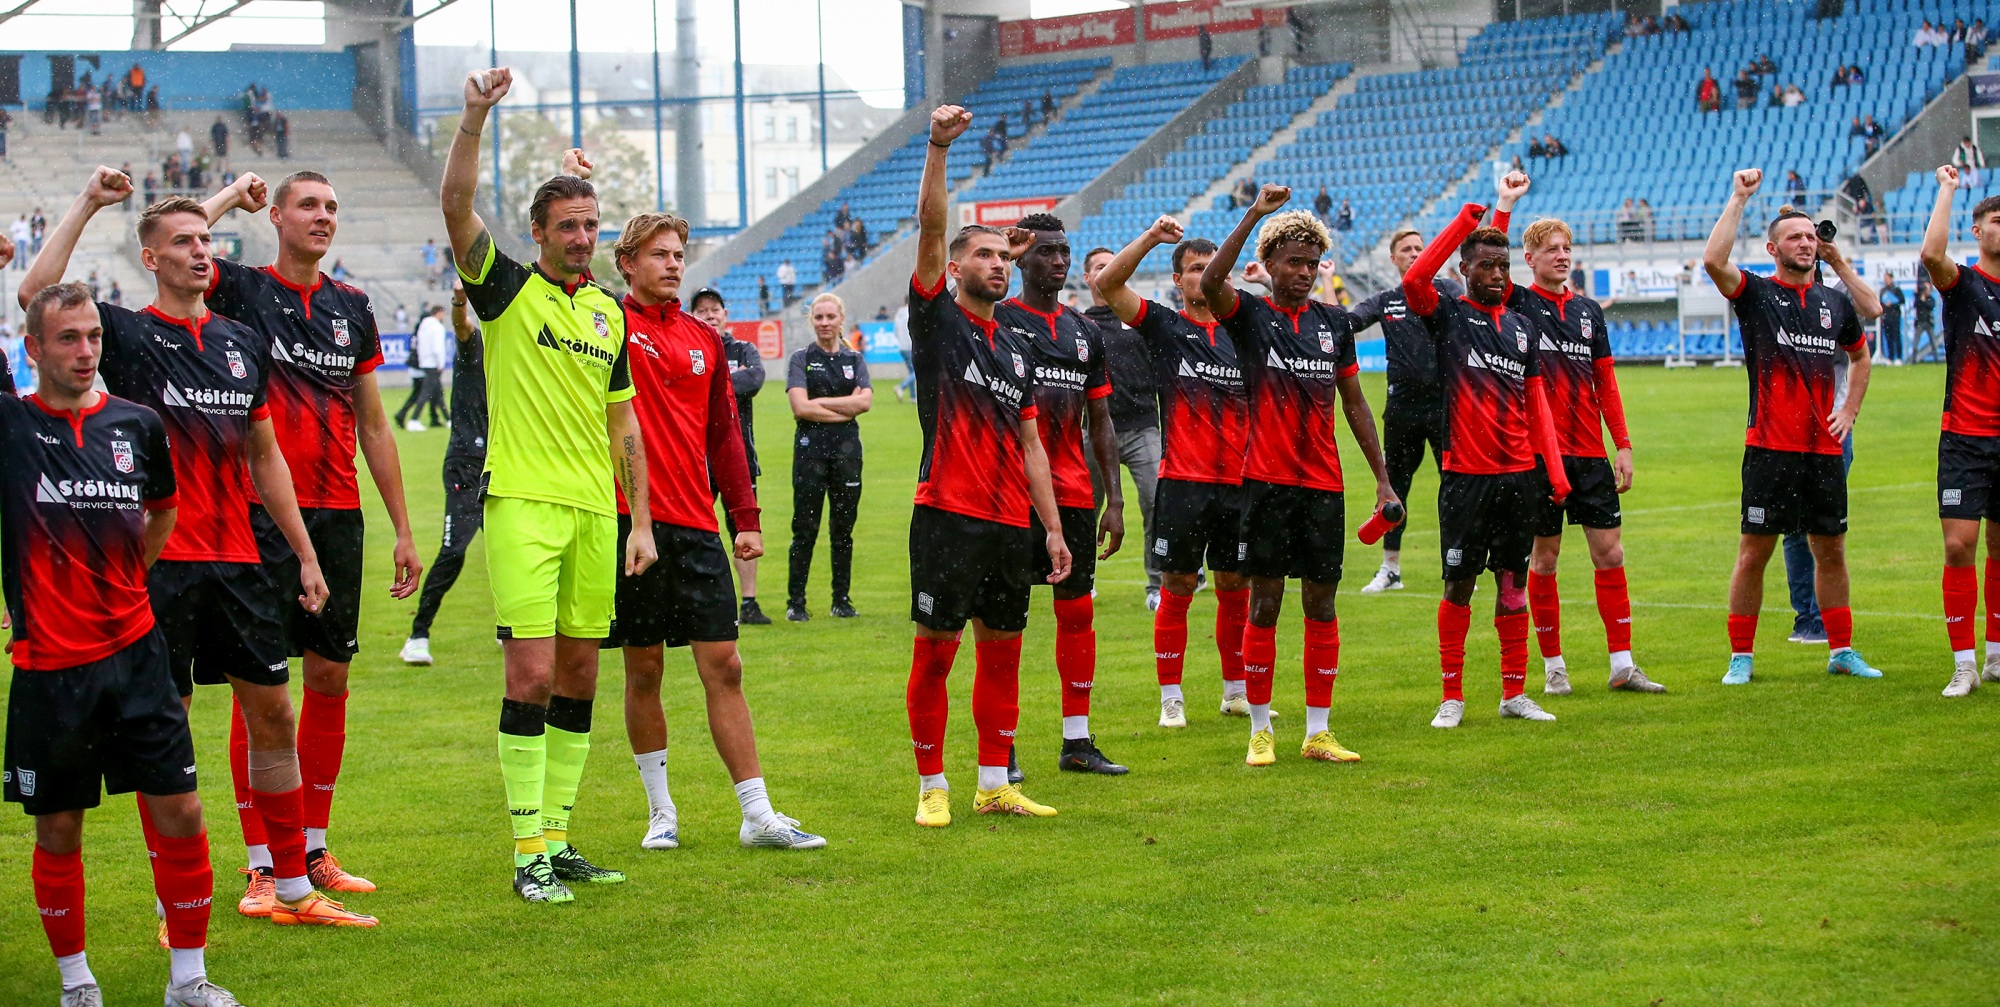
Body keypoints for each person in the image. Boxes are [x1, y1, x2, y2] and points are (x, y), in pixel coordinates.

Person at [20, 169, 371, 928]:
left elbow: (264, 454)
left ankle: (289, 887)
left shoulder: (243, 342)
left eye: (207, 239)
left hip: (241, 559)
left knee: (273, 713)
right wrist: (87, 202)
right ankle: (170, 898)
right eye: (182, 242)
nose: (201, 251)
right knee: (169, 729)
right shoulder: (130, 336)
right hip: (159, 564)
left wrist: (305, 553)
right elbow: (37, 292)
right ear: (151, 259)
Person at [5, 282, 250, 1007]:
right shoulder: (11, 427)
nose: (86, 352)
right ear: (34, 348)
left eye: (94, 337)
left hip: (139, 655)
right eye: (68, 339)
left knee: (182, 811)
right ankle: (77, 983)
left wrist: (116, 584)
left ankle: (189, 980)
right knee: (58, 826)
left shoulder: (137, 424)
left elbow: (163, 513)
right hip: (49, 668)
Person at [443, 69, 655, 903]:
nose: (581, 236)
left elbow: (623, 423)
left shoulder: (610, 312)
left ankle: (561, 839)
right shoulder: (503, 288)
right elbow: (457, 207)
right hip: (524, 505)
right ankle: (526, 848)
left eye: (591, 224)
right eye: (567, 225)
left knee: (581, 679)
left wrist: (637, 520)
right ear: (537, 231)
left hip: (599, 514)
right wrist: (474, 117)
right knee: (527, 678)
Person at [197, 170, 423, 897]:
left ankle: (315, 849)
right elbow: (178, 241)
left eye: (332, 205)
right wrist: (231, 195)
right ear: (279, 217)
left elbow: (375, 423)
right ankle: (265, 861)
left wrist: (402, 528)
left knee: (329, 677)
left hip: (338, 515)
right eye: (309, 205)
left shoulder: (351, 306)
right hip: (258, 516)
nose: (324, 216)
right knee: (259, 691)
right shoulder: (239, 289)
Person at [601, 200, 823, 852]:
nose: (673, 265)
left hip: (697, 525)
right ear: (628, 263)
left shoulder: (703, 340)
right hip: (630, 522)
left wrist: (744, 517)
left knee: (725, 665)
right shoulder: (607, 322)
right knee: (643, 671)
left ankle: (758, 814)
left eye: (678, 254)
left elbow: (725, 435)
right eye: (659, 255)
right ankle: (660, 812)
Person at [904, 104, 1071, 826]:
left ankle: (994, 781)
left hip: (1009, 524)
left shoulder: (1016, 348)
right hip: (947, 511)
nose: (998, 265)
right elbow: (933, 228)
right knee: (937, 653)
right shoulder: (938, 321)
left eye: (1006, 257)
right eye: (985, 256)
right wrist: (939, 147)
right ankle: (932, 783)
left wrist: (1055, 530)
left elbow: (1033, 445)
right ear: (958, 266)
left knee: (1003, 655)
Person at [1199, 184, 1397, 763]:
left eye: (1312, 263)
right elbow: (1211, 284)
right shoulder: (1252, 314)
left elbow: (1356, 403)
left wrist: (1382, 479)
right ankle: (1261, 727)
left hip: (1323, 486)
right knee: (1265, 604)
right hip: (1265, 481)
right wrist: (1255, 214)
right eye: (1295, 262)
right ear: (1271, 264)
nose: (1306, 271)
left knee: (1321, 602)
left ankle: (1317, 731)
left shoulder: (1333, 324)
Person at [1484, 175, 1664, 696]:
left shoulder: (1589, 312)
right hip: (1540, 456)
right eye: (1551, 250)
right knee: (1544, 558)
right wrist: (1506, 205)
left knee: (1610, 553)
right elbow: (1493, 253)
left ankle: (1623, 664)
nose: (1562, 256)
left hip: (1589, 454)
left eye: (1566, 248)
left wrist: (1623, 444)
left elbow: (1605, 379)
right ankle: (1554, 665)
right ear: (1530, 257)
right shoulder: (1516, 302)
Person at [1702, 169, 1881, 686]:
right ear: (1773, 247)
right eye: (1795, 238)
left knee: (1831, 550)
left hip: (1824, 450)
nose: (1805, 243)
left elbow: (1861, 355)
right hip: (1769, 447)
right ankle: (1741, 656)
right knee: (1754, 552)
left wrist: (1849, 411)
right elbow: (1714, 260)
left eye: (1809, 237)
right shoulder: (1756, 294)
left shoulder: (1833, 302)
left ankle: (1841, 649)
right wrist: (1739, 196)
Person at [1401, 192, 1572, 729]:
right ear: (1464, 270)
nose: (1497, 274)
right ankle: (1452, 695)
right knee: (1459, 584)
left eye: (1503, 265)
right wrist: (1466, 219)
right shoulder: (1448, 314)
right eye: (1485, 265)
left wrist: (1557, 472)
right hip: (1465, 478)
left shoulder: (1522, 326)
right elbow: (1414, 282)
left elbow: (1537, 400)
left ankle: (1514, 692)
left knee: (1512, 584)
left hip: (1520, 476)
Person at [1095, 220, 1252, 725]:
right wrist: (1147, 238)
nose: (1205, 277)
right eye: (1194, 270)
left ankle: (1234, 689)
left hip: (1240, 484)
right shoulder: (1167, 327)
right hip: (1183, 481)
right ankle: (1171, 697)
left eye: (1212, 269)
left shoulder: (1246, 329)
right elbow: (1107, 285)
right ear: (1179, 280)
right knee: (1177, 587)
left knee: (1233, 587)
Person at [996, 212, 1128, 779]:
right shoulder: (997, 320)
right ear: (1021, 256)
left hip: (1073, 494)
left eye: (1064, 251)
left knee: (1077, 615)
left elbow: (1101, 420)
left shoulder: (1084, 331)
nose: (1059, 260)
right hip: (1007, 493)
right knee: (1005, 623)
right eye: (1046, 251)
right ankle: (1001, 745)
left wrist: (1115, 500)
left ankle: (1077, 741)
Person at [1920, 167, 2000, 695]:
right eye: (1998, 219)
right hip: (1966, 437)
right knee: (1959, 545)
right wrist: (1948, 188)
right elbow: (1930, 256)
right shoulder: (1965, 283)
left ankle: (1995, 655)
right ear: (1978, 231)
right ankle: (1964, 663)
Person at [1351, 229, 1459, 596]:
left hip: (1447, 408)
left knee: (1456, 489)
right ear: (1393, 259)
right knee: (1394, 491)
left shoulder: (1449, 293)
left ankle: (1457, 564)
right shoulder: (1387, 300)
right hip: (1401, 410)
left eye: (1420, 248)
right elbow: (1344, 324)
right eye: (1406, 250)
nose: (1414, 254)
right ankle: (1391, 569)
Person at [402, 284, 487, 665]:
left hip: (506, 466)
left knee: (511, 553)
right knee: (454, 552)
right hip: (466, 466)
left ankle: (513, 628)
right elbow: (462, 325)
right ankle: (417, 635)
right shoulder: (476, 345)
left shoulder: (522, 353)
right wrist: (459, 301)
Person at [1080, 245, 1163, 607]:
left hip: (1144, 427)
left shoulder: (1141, 319)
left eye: (1111, 265)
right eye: (1098, 267)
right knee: (1085, 507)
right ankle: (1082, 581)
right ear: (1086, 277)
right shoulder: (1079, 324)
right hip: (1094, 431)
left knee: (1156, 502)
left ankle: (1158, 585)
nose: (1105, 271)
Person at [785, 292, 872, 621]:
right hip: (810, 453)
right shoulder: (801, 358)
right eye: (818, 317)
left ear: (840, 319)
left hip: (847, 454)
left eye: (830, 317)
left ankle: (842, 599)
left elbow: (864, 403)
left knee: (843, 529)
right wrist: (844, 408)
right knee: (804, 529)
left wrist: (820, 407)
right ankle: (796, 602)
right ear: (812, 321)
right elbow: (799, 407)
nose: (824, 323)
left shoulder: (854, 359)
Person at [688, 287, 772, 625]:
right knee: (696, 529)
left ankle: (749, 602)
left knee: (744, 528)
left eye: (714, 309)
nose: (709, 315)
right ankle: (697, 600)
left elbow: (755, 378)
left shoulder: (743, 349)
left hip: (739, 456)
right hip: (695, 456)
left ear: (725, 313)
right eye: (701, 310)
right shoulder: (689, 347)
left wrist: (712, 382)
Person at [395, 304, 448, 430]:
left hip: (422, 363)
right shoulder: (436, 328)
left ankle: (444, 418)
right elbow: (437, 348)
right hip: (430, 364)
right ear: (439, 313)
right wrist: (440, 363)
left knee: (434, 392)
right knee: (426, 392)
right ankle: (414, 419)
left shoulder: (422, 328)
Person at [1879, 272, 1906, 364]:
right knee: (1888, 338)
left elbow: (1902, 300)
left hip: (1895, 316)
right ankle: (1890, 357)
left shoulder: (1896, 290)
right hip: (1886, 317)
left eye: (1887, 278)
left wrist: (1893, 303)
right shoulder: (1882, 290)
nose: (1885, 280)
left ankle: (1898, 357)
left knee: (1896, 337)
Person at [893, 300, 916, 402]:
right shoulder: (911, 312)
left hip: (902, 347)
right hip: (910, 346)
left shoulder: (898, 314)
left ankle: (913, 396)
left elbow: (896, 332)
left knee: (911, 372)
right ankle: (901, 387)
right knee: (915, 372)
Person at [1915, 271, 1938, 359]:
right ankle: (1913, 359)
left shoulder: (1930, 298)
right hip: (1920, 322)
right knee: (1916, 342)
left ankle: (1936, 359)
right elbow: (1915, 305)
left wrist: (1924, 300)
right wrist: (1920, 298)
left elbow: (1931, 306)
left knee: (1933, 342)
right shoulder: (1918, 298)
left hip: (1928, 321)